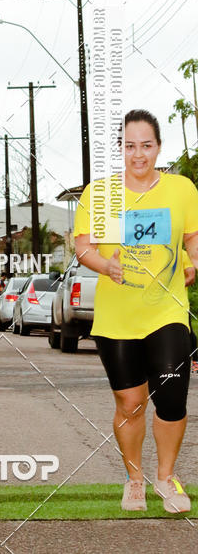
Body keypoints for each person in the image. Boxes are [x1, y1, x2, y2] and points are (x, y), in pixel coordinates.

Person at [74, 109, 198, 514]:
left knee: (172, 397)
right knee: (130, 403)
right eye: (130, 146)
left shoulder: (181, 189)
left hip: (166, 309)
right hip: (117, 316)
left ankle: (166, 477)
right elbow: (84, 247)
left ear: (158, 147)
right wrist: (104, 266)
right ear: (121, 150)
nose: (138, 154)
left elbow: (193, 238)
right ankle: (134, 479)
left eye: (146, 145)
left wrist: (194, 261)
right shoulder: (101, 194)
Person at [182, 251, 198, 374]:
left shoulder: (182, 254)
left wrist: (174, 288)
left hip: (178, 302)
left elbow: (191, 277)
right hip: (155, 303)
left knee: (188, 331)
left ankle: (196, 361)